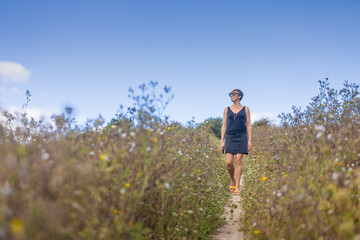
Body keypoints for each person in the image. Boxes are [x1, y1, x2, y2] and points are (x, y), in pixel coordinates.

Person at [220, 89, 252, 195]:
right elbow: (224, 125)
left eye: (233, 94)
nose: (231, 96)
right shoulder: (226, 109)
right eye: (230, 94)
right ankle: (232, 180)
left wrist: (249, 140)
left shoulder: (246, 109)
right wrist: (222, 141)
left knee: (238, 161)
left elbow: (248, 124)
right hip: (230, 136)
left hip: (242, 136)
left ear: (240, 96)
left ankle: (237, 186)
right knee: (229, 162)